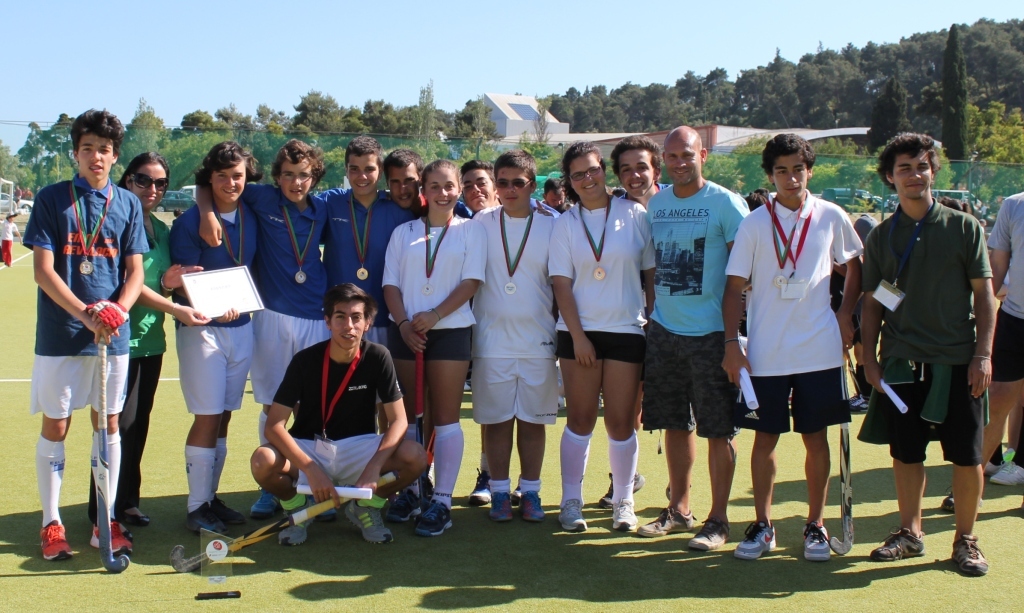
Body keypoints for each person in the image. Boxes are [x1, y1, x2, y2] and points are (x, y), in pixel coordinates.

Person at [859, 133, 995, 576]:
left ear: (933, 171)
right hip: (902, 362)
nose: (914, 175)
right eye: (904, 168)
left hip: (958, 361)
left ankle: (966, 540)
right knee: (906, 453)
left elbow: (984, 295)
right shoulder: (882, 237)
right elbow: (874, 303)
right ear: (890, 177)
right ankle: (909, 533)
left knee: (968, 456)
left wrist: (983, 355)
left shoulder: (964, 227)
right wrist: (870, 359)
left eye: (921, 166)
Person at [723, 134, 862, 562]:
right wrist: (731, 344)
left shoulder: (831, 215)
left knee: (815, 438)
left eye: (798, 169)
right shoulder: (753, 223)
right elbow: (733, 288)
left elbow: (855, 266)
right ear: (770, 175)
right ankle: (763, 525)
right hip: (766, 352)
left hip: (819, 350)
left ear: (809, 171)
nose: (790, 178)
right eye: (781, 171)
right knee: (764, 438)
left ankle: (815, 525)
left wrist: (845, 314)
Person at [24, 109, 147, 560]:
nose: (96, 156)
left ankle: (105, 520)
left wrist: (117, 310)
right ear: (76, 153)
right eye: (88, 148)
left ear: (115, 157)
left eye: (105, 149)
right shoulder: (51, 198)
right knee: (57, 424)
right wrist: (84, 314)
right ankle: (51, 522)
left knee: (108, 423)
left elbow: (135, 272)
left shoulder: (128, 203)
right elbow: (43, 271)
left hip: (111, 335)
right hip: (62, 334)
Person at [197, 139, 331, 519]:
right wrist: (206, 214)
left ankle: (311, 484)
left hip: (315, 318)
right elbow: (208, 183)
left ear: (315, 177)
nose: (296, 183)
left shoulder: (326, 206)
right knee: (273, 404)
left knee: (313, 407)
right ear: (276, 177)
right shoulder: (261, 198)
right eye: (288, 175)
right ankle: (271, 486)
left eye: (303, 175)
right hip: (271, 317)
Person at [86, 152, 209, 531]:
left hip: (151, 341)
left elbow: (161, 282)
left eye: (160, 183)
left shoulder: (161, 229)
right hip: (117, 341)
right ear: (127, 180)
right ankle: (102, 510)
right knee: (115, 428)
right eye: (143, 180)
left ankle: (127, 503)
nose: (151, 189)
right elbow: (130, 286)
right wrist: (175, 308)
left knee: (137, 425)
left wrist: (171, 286)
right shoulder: (114, 222)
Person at [639, 127, 749, 550]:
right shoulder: (657, 203)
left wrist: (733, 339)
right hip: (665, 333)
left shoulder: (726, 203)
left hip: (712, 336)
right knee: (673, 423)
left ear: (703, 155)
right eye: (672, 156)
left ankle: (718, 520)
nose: (679, 163)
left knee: (718, 430)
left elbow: (744, 275)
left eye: (687, 155)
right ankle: (679, 509)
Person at [251, 284, 428, 545]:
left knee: (416, 456)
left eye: (356, 317)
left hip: (359, 448)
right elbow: (274, 425)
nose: (349, 326)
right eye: (340, 317)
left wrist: (374, 467)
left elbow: (399, 420)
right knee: (262, 460)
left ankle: (366, 507)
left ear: (367, 323)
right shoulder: (304, 360)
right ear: (327, 322)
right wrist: (310, 468)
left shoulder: (378, 356)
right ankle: (298, 507)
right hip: (311, 447)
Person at [550, 142, 655, 533]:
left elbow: (650, 274)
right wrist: (578, 338)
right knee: (579, 420)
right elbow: (561, 284)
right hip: (578, 335)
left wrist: (653, 320)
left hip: (627, 330)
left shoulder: (635, 213)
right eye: (578, 174)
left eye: (593, 170)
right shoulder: (565, 223)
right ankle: (570, 500)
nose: (587, 179)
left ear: (604, 171)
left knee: (621, 422)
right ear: (570, 181)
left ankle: (624, 501)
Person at [382, 159, 485, 536]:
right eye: (435, 186)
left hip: (451, 330)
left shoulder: (471, 230)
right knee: (409, 417)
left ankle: (441, 500)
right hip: (405, 332)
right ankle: (412, 489)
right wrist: (404, 324)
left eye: (450, 186)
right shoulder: (403, 232)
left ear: (459, 189)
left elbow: (471, 282)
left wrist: (435, 314)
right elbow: (390, 285)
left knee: (446, 417)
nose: (443, 193)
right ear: (423, 190)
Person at [171, 142, 261, 533]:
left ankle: (209, 497)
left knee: (224, 417)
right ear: (209, 178)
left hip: (242, 327)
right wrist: (206, 210)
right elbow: (184, 280)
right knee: (207, 417)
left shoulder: (252, 211)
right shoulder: (189, 222)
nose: (230, 183)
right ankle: (196, 508)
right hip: (203, 331)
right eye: (221, 176)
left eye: (237, 175)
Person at [471, 150, 559, 522]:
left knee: (534, 421)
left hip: (538, 341)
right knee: (497, 422)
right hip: (490, 341)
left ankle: (532, 491)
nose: (510, 190)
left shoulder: (553, 224)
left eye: (518, 183)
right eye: (503, 182)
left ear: (532, 185)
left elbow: (562, 284)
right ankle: (499, 492)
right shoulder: (480, 222)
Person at [321, 136, 414, 346]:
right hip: (339, 320)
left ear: (380, 171)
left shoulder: (399, 213)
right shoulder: (330, 203)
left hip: (383, 320)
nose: (362, 176)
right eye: (354, 169)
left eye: (369, 169)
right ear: (346, 170)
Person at [383, 148, 425, 216]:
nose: (402, 190)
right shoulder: (378, 212)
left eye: (409, 180)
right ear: (387, 183)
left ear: (421, 180)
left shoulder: (435, 209)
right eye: (395, 182)